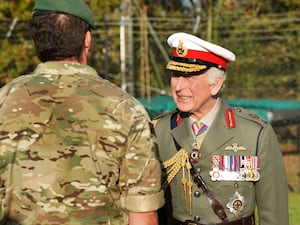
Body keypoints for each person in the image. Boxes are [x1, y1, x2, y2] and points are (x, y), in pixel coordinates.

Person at [0, 1, 164, 224]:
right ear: (87, 40)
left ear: (35, 41)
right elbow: (143, 213)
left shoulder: (4, 102)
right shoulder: (126, 110)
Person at [153, 32, 288, 225]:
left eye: (189, 76)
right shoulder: (159, 130)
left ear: (215, 84)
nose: (179, 86)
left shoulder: (255, 134)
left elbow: (275, 216)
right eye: (176, 75)